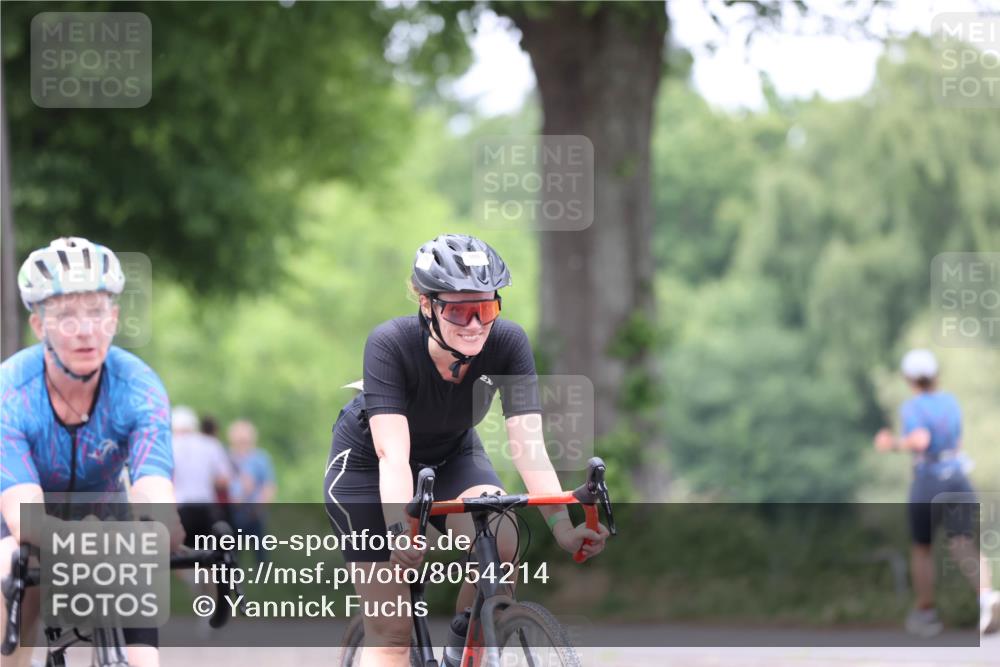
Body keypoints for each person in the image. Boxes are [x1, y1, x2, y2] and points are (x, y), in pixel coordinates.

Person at [323, 234, 610, 667]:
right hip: (369, 467)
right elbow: (393, 454)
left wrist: (562, 528)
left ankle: (466, 643)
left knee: (504, 539)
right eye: (458, 309)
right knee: (393, 629)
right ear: (426, 305)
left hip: (452, 454)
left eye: (486, 308)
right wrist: (400, 530)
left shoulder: (508, 343)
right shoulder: (390, 344)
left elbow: (529, 446)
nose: (475, 324)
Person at [1, 237, 184, 667]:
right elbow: (24, 518)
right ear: (39, 326)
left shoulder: (139, 387)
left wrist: (164, 524)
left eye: (97, 312)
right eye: (65, 315)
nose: (85, 330)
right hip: (19, 525)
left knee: (142, 661)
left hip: (106, 517)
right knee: (13, 584)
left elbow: (153, 486)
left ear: (115, 319)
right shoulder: (10, 391)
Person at [873, 348, 999, 637]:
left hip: (929, 482)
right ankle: (987, 597)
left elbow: (920, 440)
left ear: (909, 379)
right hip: (958, 478)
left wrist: (890, 443)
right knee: (962, 543)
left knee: (922, 548)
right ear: (935, 375)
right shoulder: (951, 403)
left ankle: (926, 613)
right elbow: (957, 440)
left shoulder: (913, 408)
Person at [171, 405, 231, 546]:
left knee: (183, 556)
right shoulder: (210, 444)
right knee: (208, 555)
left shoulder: (168, 446)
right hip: (206, 507)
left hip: (180, 508)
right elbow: (224, 480)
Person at [227, 419, 275, 563]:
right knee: (230, 554)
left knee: (260, 553)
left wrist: (260, 506)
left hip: (254, 512)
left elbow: (268, 485)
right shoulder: (226, 456)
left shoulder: (260, 458)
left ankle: (263, 582)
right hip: (232, 511)